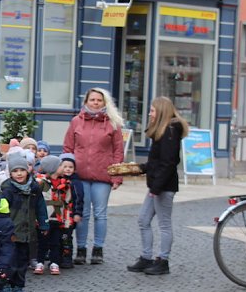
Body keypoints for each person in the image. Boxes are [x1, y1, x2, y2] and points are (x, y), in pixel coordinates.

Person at [127, 96, 189, 276]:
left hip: (163, 186)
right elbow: (158, 161)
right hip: (157, 184)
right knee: (143, 220)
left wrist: (156, 188)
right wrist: (140, 168)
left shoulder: (170, 131)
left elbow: (169, 163)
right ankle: (146, 257)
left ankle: (163, 260)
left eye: (153, 110)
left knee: (164, 224)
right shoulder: (163, 131)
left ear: (161, 111)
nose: (150, 113)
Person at [62, 87, 124, 265]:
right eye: (92, 100)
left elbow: (118, 152)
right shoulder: (76, 122)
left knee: (101, 214)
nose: (95, 103)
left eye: (99, 100)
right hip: (79, 176)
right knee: (82, 213)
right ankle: (81, 249)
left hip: (103, 175)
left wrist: (117, 176)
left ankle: (98, 248)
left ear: (105, 103)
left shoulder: (113, 124)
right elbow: (68, 148)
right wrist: (67, 172)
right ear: (86, 102)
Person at [0, 153, 48, 292]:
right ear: (10, 173)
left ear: (28, 170)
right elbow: (2, 210)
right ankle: (6, 284)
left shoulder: (34, 188)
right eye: (15, 171)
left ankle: (18, 286)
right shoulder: (7, 189)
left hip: (27, 231)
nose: (19, 173)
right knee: (9, 260)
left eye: (21, 170)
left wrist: (44, 223)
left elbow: (41, 207)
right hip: (11, 232)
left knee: (23, 261)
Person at [36, 156, 79, 276]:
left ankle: (54, 262)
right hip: (44, 218)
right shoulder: (40, 183)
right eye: (60, 165)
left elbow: (68, 202)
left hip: (58, 218)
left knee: (56, 241)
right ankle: (40, 262)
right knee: (42, 242)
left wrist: (67, 220)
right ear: (53, 168)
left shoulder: (65, 183)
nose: (63, 168)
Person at [57, 153, 84, 269]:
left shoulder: (76, 182)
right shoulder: (57, 180)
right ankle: (57, 257)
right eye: (65, 166)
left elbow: (79, 198)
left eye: (70, 167)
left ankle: (67, 258)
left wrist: (78, 213)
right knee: (57, 236)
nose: (67, 169)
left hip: (69, 215)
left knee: (66, 237)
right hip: (58, 214)